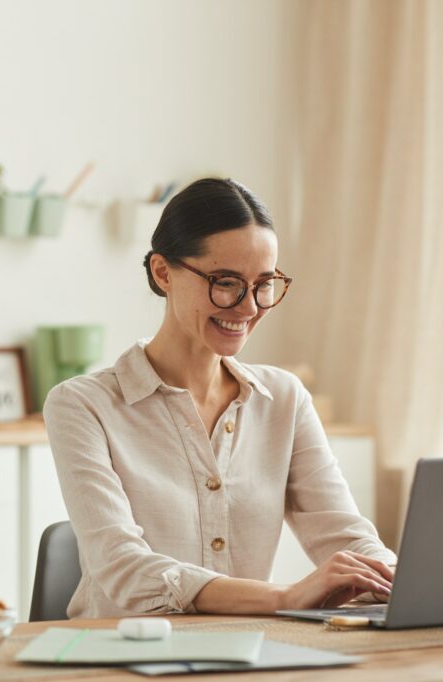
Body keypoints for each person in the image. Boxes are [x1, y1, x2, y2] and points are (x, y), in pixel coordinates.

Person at [43, 178, 395, 618]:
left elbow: (344, 535)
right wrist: (284, 599)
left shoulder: (284, 399)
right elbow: (122, 568)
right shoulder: (82, 405)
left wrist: (399, 579)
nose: (248, 307)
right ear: (162, 272)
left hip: (248, 654)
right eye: (226, 281)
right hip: (122, 658)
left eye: (264, 284)